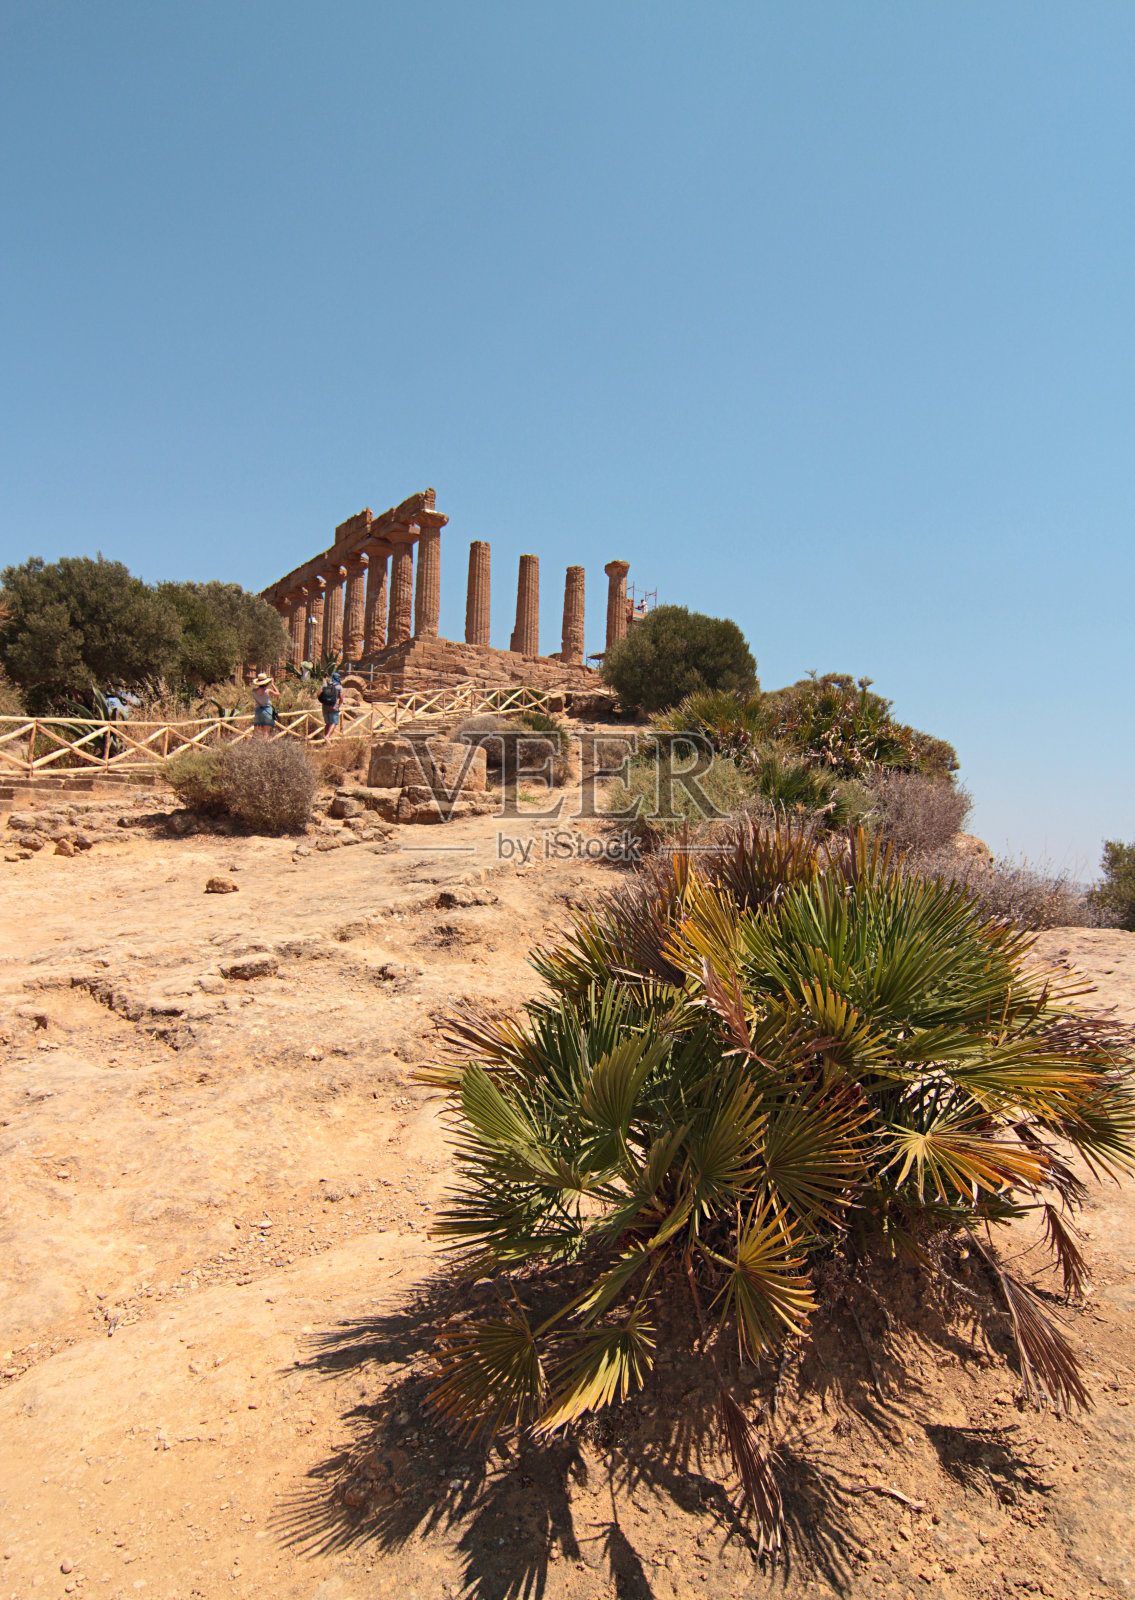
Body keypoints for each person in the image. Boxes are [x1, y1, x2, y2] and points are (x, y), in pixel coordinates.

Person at [251, 672, 278, 738]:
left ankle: (253, 745)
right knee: (265, 732)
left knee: (255, 732)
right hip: (267, 711)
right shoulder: (268, 691)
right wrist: (273, 684)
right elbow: (277, 694)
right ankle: (264, 746)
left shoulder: (254, 691)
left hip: (258, 710)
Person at [318, 669, 342, 739]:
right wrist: (339, 706)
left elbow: (318, 694)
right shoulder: (339, 687)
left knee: (328, 723)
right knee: (334, 722)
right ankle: (327, 736)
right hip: (333, 706)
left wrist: (322, 701)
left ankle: (325, 737)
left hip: (325, 706)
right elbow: (341, 698)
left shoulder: (325, 685)